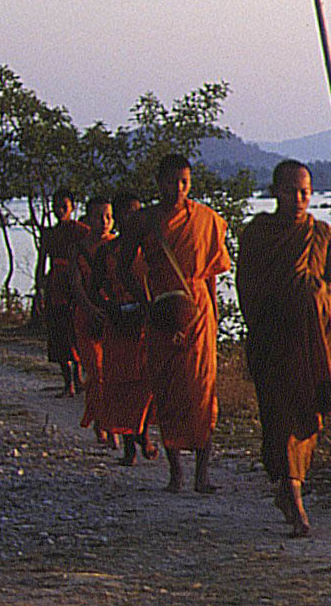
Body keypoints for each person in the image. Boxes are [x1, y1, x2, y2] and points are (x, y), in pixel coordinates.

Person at [236, 159, 331, 537]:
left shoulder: (323, 233)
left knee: (304, 417)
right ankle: (295, 498)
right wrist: (267, 317)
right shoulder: (258, 234)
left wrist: (322, 293)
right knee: (280, 418)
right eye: (291, 191)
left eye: (305, 192)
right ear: (275, 192)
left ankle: (289, 488)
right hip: (273, 339)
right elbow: (246, 285)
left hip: (312, 341)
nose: (299, 199)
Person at [118, 154, 231, 493]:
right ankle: (176, 473)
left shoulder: (206, 219)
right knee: (167, 390)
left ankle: (202, 475)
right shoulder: (142, 221)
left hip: (198, 311)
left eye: (184, 182)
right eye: (171, 182)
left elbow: (210, 273)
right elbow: (124, 268)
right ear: (159, 183)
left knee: (202, 391)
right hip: (161, 311)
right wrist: (147, 304)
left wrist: (212, 315)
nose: (178, 189)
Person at [91, 192, 158, 466]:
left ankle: (144, 432)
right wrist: (111, 308)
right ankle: (130, 446)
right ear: (118, 217)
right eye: (127, 213)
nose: (132, 218)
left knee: (149, 382)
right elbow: (95, 289)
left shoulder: (151, 249)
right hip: (119, 323)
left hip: (147, 321)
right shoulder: (107, 251)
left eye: (137, 212)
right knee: (122, 384)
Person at [69, 196, 117, 447]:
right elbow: (75, 284)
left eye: (108, 216)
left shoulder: (118, 245)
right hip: (86, 316)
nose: (105, 222)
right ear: (88, 219)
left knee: (112, 373)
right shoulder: (78, 249)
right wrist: (89, 309)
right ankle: (102, 423)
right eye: (99, 216)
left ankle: (109, 422)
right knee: (96, 372)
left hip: (113, 315)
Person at [35, 188, 89, 397]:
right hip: (56, 287)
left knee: (77, 332)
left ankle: (79, 378)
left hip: (77, 285)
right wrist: (39, 290)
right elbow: (41, 264)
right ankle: (68, 383)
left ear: (72, 207)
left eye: (64, 206)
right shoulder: (50, 234)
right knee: (59, 334)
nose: (60, 210)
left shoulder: (82, 231)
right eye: (56, 206)